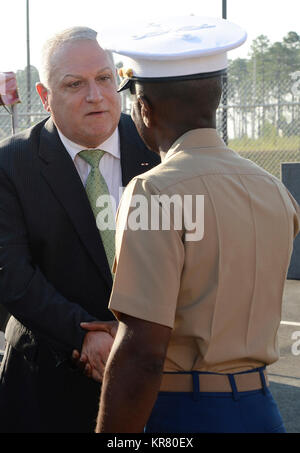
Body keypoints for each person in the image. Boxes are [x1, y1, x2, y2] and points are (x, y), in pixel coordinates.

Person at [93, 17, 300, 433]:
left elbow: (144, 352)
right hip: (261, 409)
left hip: (183, 411)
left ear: (144, 108)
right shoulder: (273, 190)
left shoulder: (153, 191)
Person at [0, 26, 160, 433]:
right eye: (75, 84)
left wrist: (130, 338)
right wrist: (83, 335)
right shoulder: (12, 163)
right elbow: (11, 273)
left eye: (105, 78)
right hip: (44, 382)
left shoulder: (159, 152)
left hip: (156, 379)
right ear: (44, 96)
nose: (95, 95)